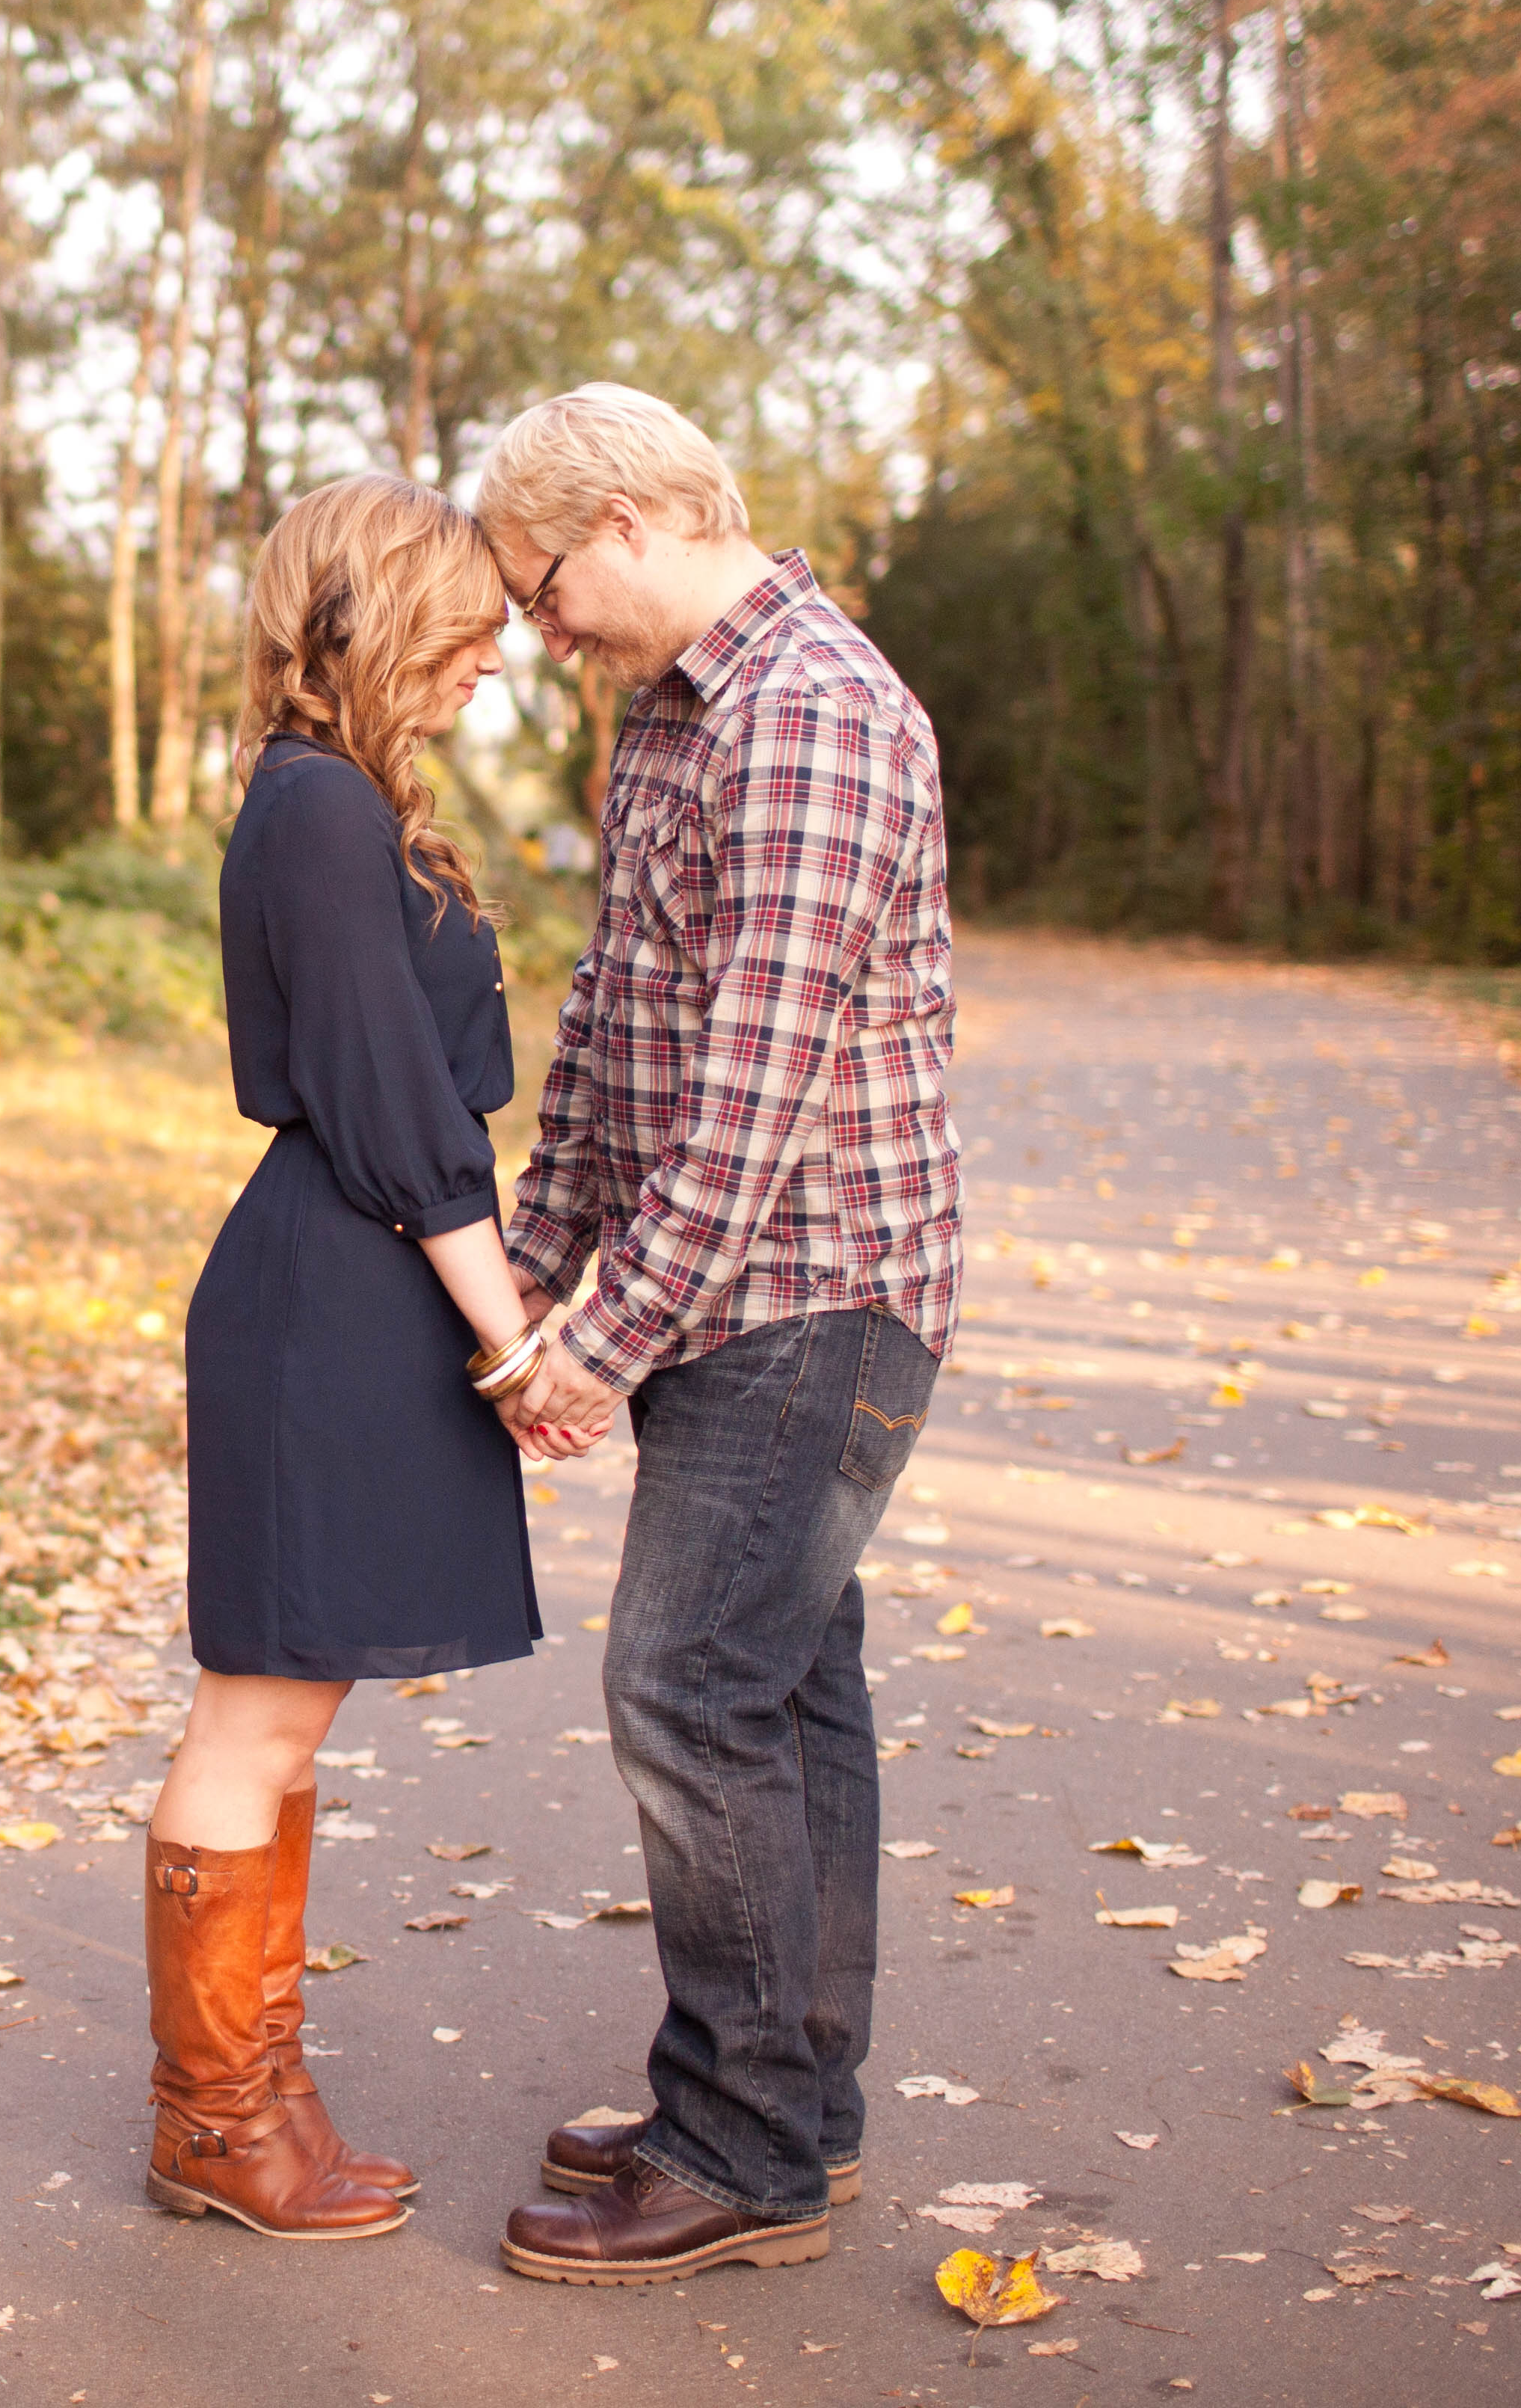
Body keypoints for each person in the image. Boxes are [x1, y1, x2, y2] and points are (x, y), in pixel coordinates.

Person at [470, 384, 963, 2285]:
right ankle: (780, 2105)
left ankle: (742, 2147)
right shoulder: (675, 723)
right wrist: (536, 1259)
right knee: (782, 1688)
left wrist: (608, 1339)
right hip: (740, 1293)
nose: (537, 626)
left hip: (815, 1297)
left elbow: (758, 1086)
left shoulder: (816, 714)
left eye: (542, 584)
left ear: (635, 517)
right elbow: (615, 1030)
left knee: (688, 1689)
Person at [144, 471, 583, 2242]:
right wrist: (514, 1338)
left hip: (355, 1275)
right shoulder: (319, 810)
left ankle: (263, 2090)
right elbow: (399, 1108)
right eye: (471, 617)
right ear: (385, 605)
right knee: (257, 1704)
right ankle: (210, 2118)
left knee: (292, 1712)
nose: (498, 651)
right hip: (332, 1283)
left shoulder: (345, 804)